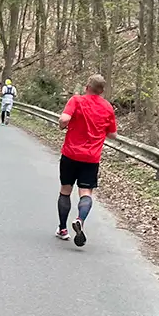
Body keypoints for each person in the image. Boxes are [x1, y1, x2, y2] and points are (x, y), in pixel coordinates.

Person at [56, 74, 117, 246]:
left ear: (86, 86)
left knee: (65, 190)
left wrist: (63, 125)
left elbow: (64, 119)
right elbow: (112, 134)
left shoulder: (76, 100)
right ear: (102, 90)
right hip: (91, 158)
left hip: (70, 154)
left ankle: (62, 229)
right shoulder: (107, 107)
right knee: (86, 192)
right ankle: (80, 220)